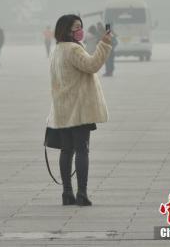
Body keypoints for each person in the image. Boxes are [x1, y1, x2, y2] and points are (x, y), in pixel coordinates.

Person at [47, 14, 112, 206]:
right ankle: (82, 193)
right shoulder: (74, 49)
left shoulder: (57, 50)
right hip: (79, 108)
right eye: (76, 27)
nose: (79, 30)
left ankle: (67, 193)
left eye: (80, 26)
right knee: (82, 149)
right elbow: (92, 65)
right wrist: (105, 44)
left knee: (66, 150)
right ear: (66, 30)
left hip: (63, 108)